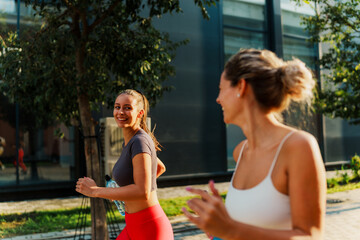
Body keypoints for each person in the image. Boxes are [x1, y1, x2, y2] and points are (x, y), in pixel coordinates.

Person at [183, 49, 327, 240]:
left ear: (241, 87)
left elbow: (311, 236)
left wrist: (230, 228)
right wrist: (221, 223)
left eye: (220, 89)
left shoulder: (298, 146)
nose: (218, 99)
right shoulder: (240, 151)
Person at [76, 89, 174, 240]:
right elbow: (159, 167)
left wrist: (95, 191)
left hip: (149, 228)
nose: (120, 112)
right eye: (117, 107)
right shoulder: (131, 140)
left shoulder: (139, 141)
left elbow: (143, 191)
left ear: (140, 113)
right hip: (133, 226)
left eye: (127, 108)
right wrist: (122, 193)